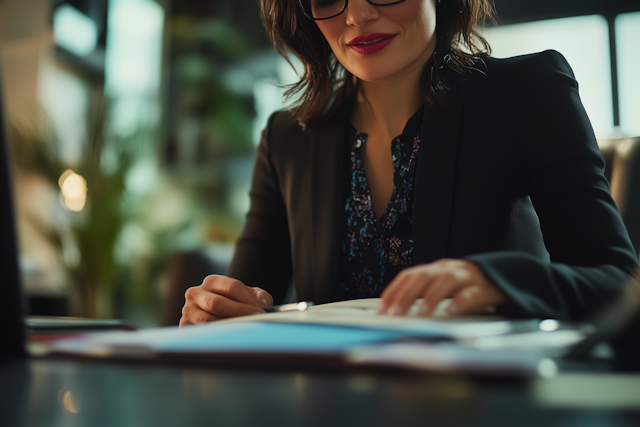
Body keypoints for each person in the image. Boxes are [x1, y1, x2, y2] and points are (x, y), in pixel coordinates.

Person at [179, 0, 637, 326]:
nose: (357, 15)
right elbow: (245, 299)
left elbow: (619, 285)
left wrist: (499, 283)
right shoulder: (288, 138)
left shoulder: (528, 91)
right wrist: (217, 308)